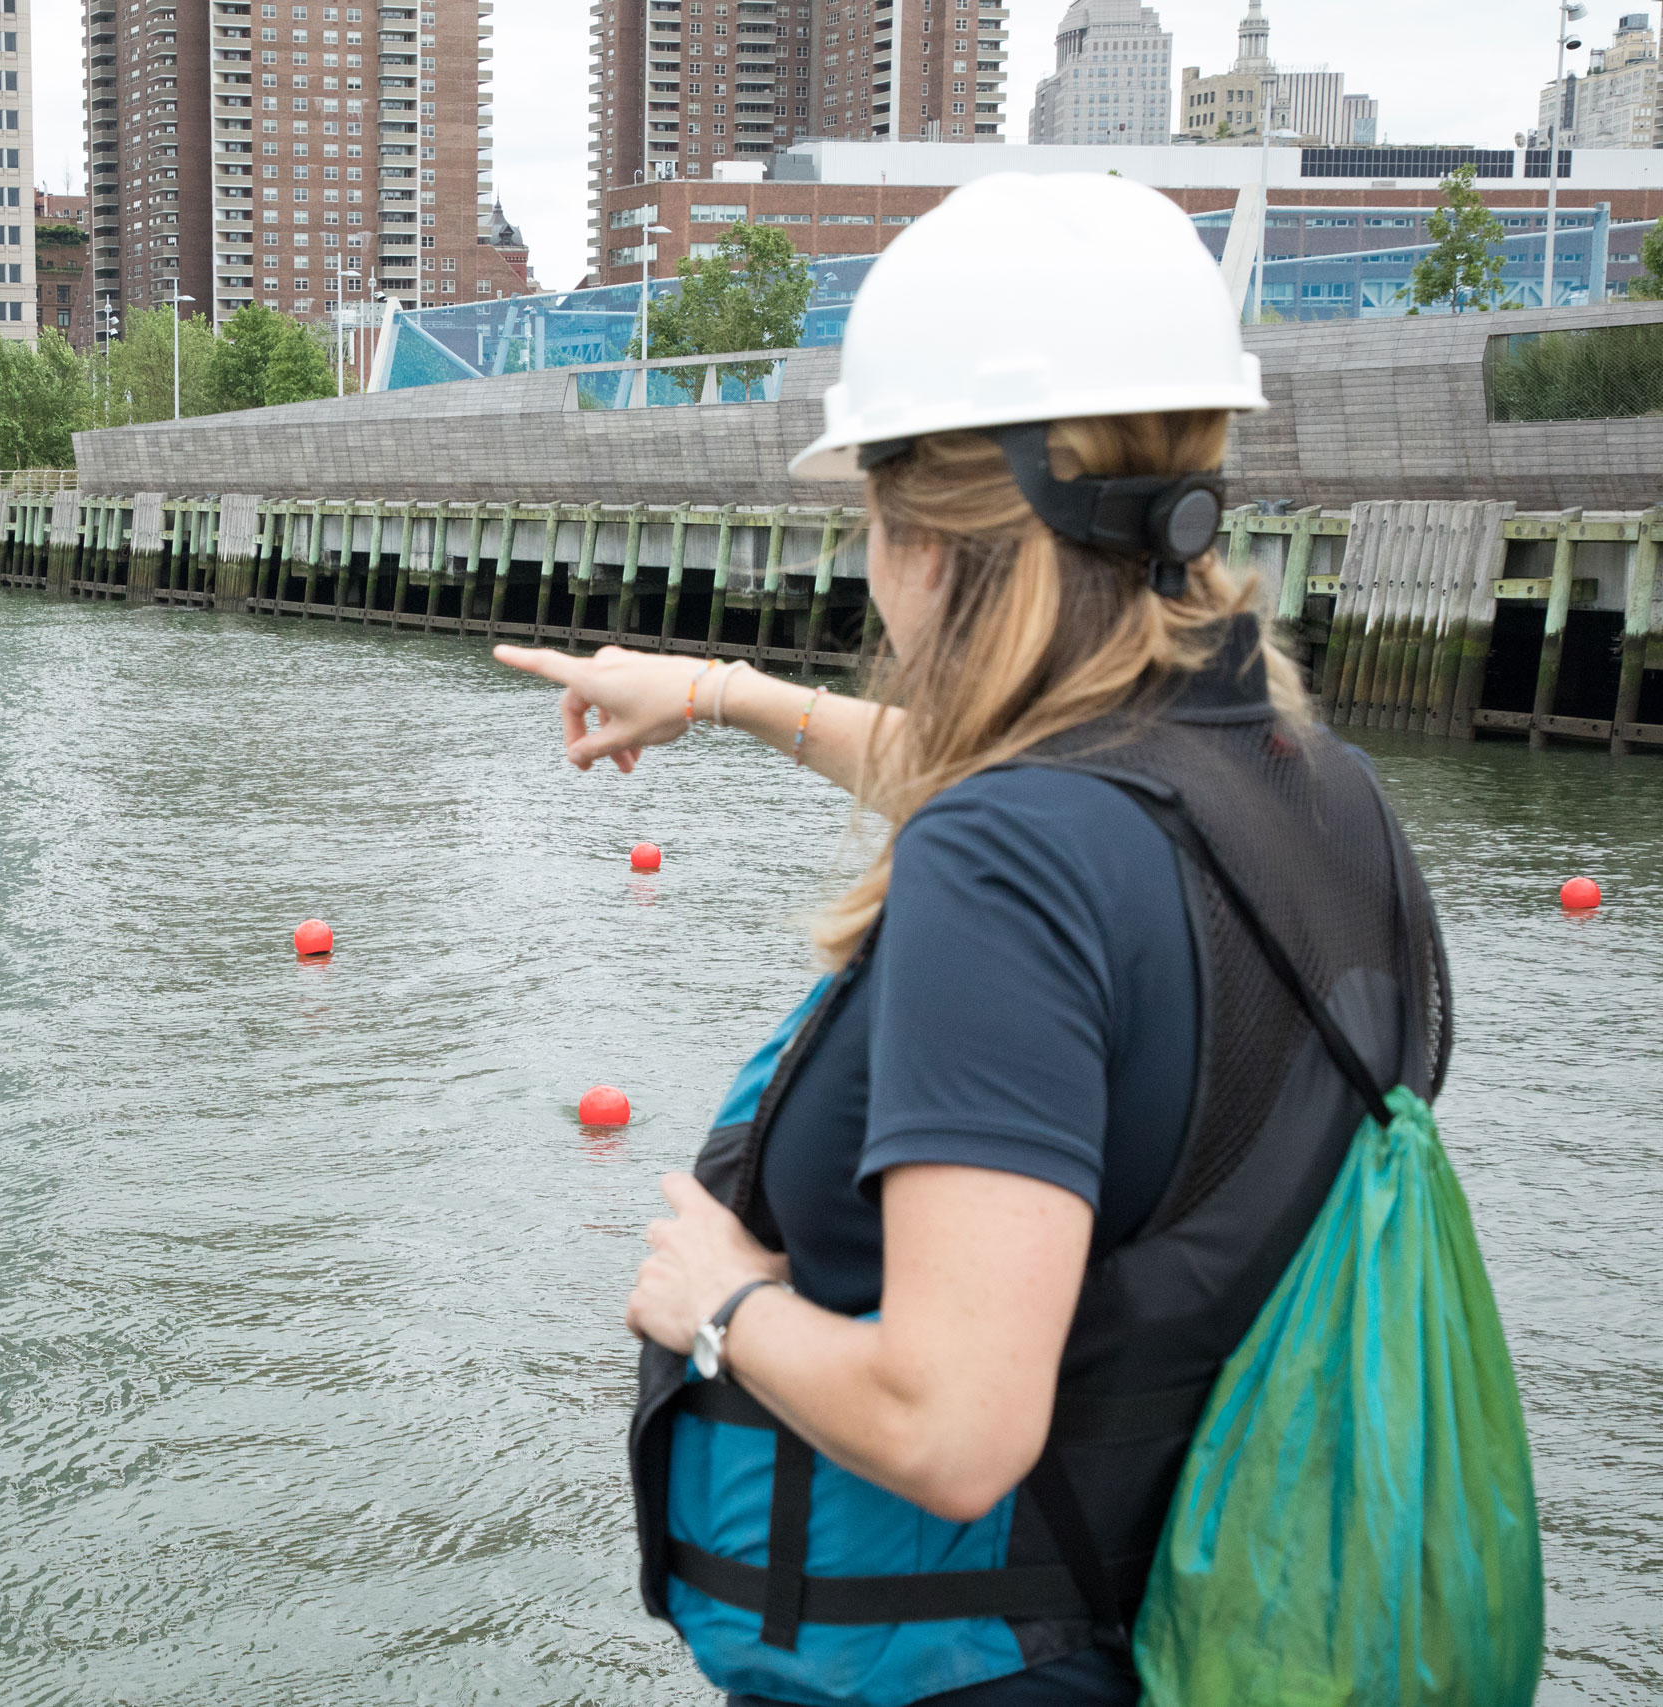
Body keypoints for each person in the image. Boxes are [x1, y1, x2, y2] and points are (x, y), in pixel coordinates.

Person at [496, 174, 1452, 1705]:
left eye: (872, 518)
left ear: (924, 538)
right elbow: (1082, 823)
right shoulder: (1315, 795)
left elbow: (955, 1429)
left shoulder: (1010, 860)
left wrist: (721, 1305)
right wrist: (726, 693)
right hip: (1190, 1627)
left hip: (988, 1665)